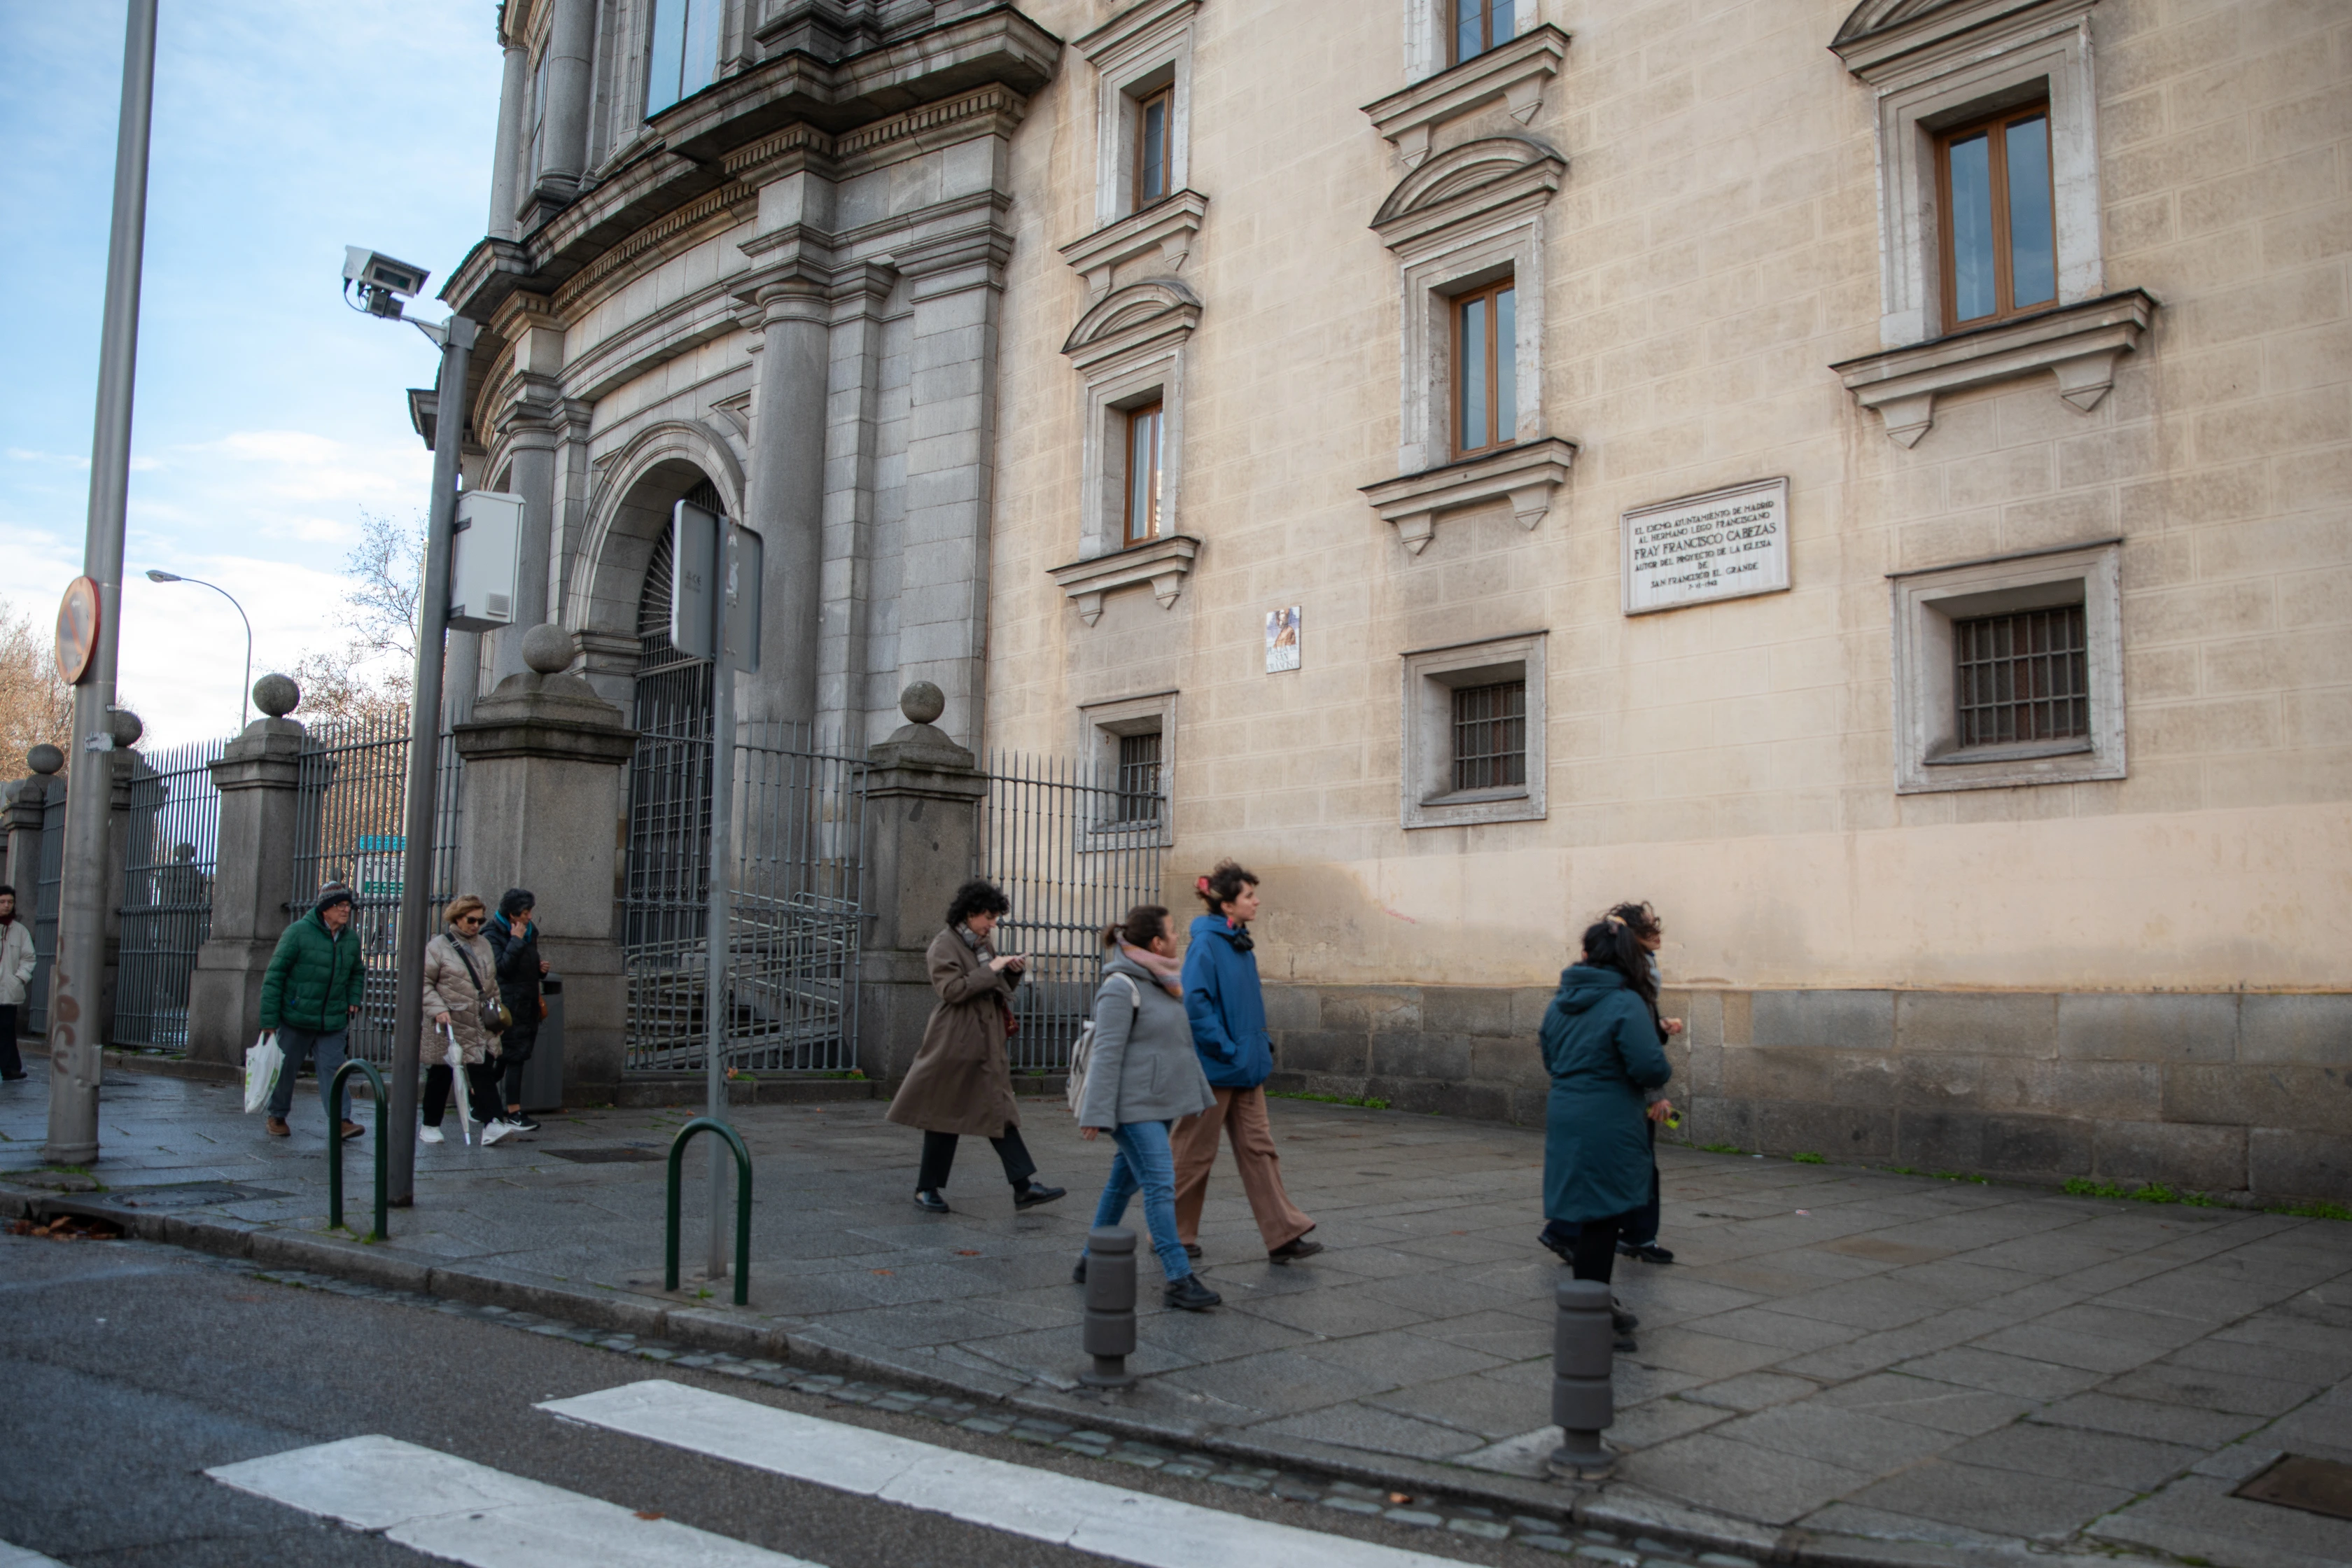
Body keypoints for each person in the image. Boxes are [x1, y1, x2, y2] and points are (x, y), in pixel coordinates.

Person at [886, 878, 1065, 1214]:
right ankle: (927, 1189)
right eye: (989, 917)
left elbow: (992, 987)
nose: (993, 924)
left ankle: (1024, 1187)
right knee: (944, 1115)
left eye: (996, 917)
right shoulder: (944, 945)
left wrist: (1010, 972)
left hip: (984, 1039)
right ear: (970, 913)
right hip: (955, 1041)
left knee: (998, 1110)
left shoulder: (982, 945)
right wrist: (994, 969)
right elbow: (951, 991)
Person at [1537, 911, 1674, 1350]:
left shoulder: (1561, 1000)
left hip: (1566, 1107)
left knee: (1587, 1211)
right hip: (1609, 1113)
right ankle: (1590, 1316)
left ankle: (1595, 1306)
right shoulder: (1625, 1001)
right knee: (1602, 1217)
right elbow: (1648, 1063)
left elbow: (1549, 1053)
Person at [1074, 905, 1222, 1312]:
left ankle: (1089, 1260)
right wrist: (1096, 1115)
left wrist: (1196, 1096)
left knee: (1122, 1184)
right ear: (1156, 942)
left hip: (1158, 1102)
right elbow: (1106, 1054)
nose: (1178, 938)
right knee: (1160, 1182)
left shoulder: (1163, 980)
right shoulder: (1121, 986)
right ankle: (1178, 1278)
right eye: (1173, 932)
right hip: (1132, 1107)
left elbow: (1174, 1046)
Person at [1171, 862, 1320, 1264]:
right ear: (1227, 905)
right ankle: (1173, 1235)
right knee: (1192, 1153)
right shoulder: (1207, 944)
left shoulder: (1239, 941)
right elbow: (1195, 1003)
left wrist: (1259, 1044)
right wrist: (1226, 1048)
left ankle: (1283, 1233)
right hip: (1216, 1067)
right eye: (1249, 896)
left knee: (1260, 1149)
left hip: (1247, 1066)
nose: (1257, 901)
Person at [1605, 901, 1684, 1266]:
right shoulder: (1629, 974)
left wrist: (1660, 1023)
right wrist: (1656, 1095)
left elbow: (1641, 1027)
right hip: (1625, 1088)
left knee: (1632, 1162)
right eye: (1650, 928)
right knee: (1634, 1163)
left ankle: (1635, 1234)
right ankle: (1573, 1232)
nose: (1658, 934)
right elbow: (1633, 1042)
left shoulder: (1640, 969)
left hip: (1619, 1087)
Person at [257, 884, 368, 1140]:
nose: (346, 910)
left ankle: (341, 1121)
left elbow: (357, 972)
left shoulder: (350, 938)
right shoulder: (297, 933)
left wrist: (353, 997)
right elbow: (275, 977)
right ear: (325, 909)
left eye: (348, 906)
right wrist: (269, 1021)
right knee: (285, 1068)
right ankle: (277, 1115)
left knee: (334, 1068)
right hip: (296, 1016)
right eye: (340, 906)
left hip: (333, 1018)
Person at [421, 894, 515, 1146]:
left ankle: (493, 1123)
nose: (476, 925)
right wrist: (438, 1009)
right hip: (449, 1022)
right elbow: (424, 983)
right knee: (441, 1074)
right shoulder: (437, 946)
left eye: (480, 920)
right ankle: (430, 1124)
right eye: (471, 920)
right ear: (457, 918)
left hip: (479, 1020)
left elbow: (491, 983)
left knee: (482, 1070)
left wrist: (496, 1016)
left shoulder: (484, 944)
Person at [485, 888, 549, 1132]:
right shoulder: (493, 934)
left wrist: (540, 969)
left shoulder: (530, 933)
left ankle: (478, 1096)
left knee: (507, 1058)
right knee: (514, 1057)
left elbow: (525, 966)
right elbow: (502, 968)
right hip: (508, 1004)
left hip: (528, 1001)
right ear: (512, 915)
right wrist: (516, 940)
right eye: (525, 913)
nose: (529, 917)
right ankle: (513, 1111)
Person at [0, 886, 33, 1082]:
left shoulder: (19, 931)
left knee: (6, 1029)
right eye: (2, 901)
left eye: (10, 902)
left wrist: (19, 978)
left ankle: (11, 1069)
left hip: (8, 990)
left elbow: (29, 957)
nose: (6, 905)